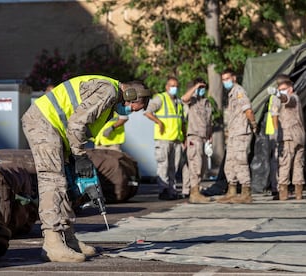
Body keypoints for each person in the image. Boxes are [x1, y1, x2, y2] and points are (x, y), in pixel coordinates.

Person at [21, 75, 151, 263]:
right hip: (44, 123)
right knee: (53, 180)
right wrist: (79, 155)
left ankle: (67, 238)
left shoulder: (111, 98)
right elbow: (76, 123)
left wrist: (75, 157)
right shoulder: (109, 92)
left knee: (66, 181)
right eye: (131, 107)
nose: (128, 112)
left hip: (56, 129)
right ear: (129, 94)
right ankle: (52, 242)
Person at [218, 69, 257, 204]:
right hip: (233, 133)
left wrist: (253, 124)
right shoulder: (231, 94)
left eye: (227, 78)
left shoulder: (239, 91)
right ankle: (232, 190)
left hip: (241, 132)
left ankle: (246, 191)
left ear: (234, 78)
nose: (225, 82)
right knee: (230, 162)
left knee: (240, 161)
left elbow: (248, 110)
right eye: (223, 79)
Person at [144, 76, 185, 200]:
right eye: (172, 86)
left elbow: (181, 121)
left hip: (177, 139)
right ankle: (163, 190)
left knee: (174, 166)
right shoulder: (160, 98)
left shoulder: (178, 102)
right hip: (164, 139)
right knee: (164, 165)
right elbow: (147, 112)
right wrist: (159, 122)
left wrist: (184, 137)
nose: (174, 88)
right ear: (167, 87)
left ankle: (172, 190)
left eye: (176, 86)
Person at [269, 74, 305, 200]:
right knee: (298, 165)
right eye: (279, 89)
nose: (281, 91)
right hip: (299, 136)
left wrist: (278, 95)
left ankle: (283, 193)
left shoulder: (293, 97)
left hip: (289, 136)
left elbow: (286, 99)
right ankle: (299, 193)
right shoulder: (296, 98)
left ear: (290, 88)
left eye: (283, 88)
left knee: (285, 164)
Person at [180, 77, 213, 204]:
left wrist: (210, 136)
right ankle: (194, 192)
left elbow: (209, 121)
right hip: (194, 137)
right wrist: (195, 88)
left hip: (204, 138)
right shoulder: (192, 100)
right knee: (195, 165)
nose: (201, 90)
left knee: (203, 166)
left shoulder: (207, 102)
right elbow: (184, 98)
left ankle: (197, 190)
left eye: (203, 88)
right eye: (200, 88)